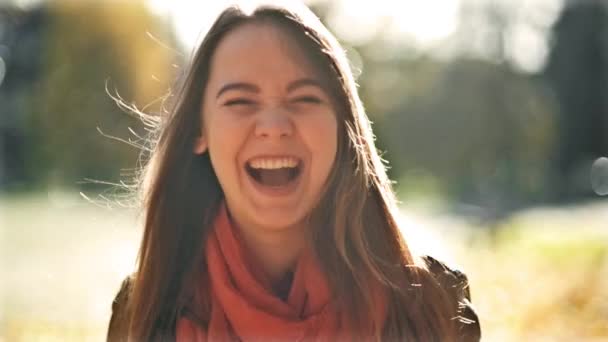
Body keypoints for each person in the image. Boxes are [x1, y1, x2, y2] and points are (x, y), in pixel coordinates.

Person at [107, 1, 481, 341]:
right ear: (198, 130)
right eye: (240, 101)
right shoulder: (142, 312)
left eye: (304, 98)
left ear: (343, 126)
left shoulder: (434, 305)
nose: (274, 125)